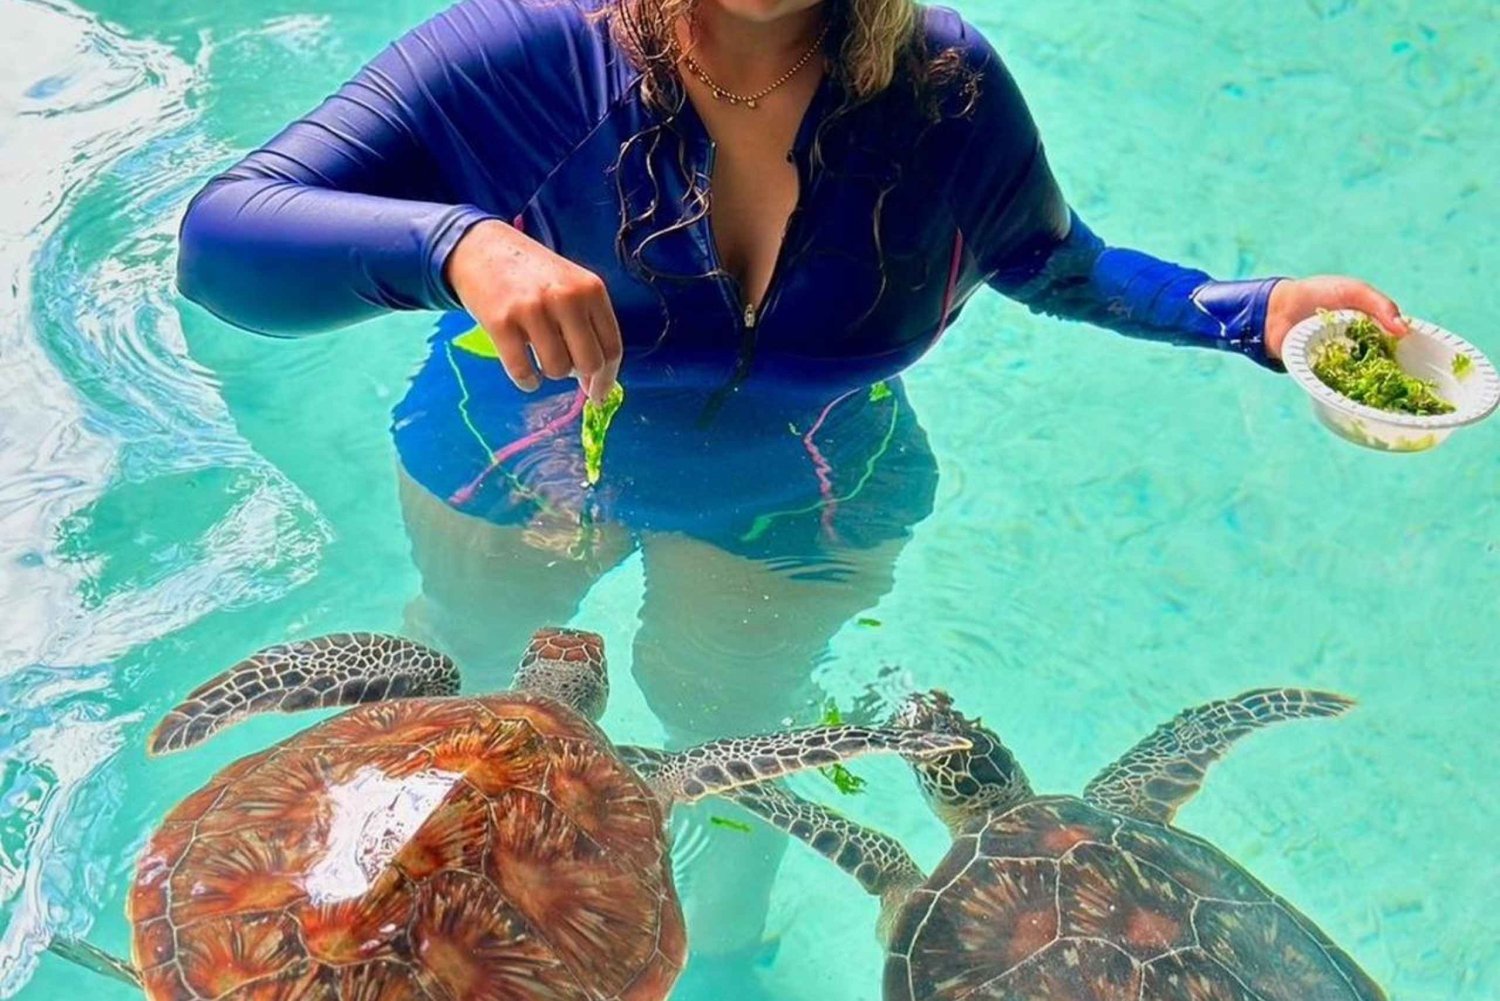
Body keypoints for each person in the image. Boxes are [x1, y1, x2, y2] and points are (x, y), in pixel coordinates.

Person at [175, 0, 1405, 986]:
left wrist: (1258, 314)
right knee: (457, 678)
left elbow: (1054, 261)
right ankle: (315, 944)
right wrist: (457, 243)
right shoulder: (529, 48)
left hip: (800, 501)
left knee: (731, 746)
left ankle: (718, 966)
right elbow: (224, 244)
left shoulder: (945, 92)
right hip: (516, 469)